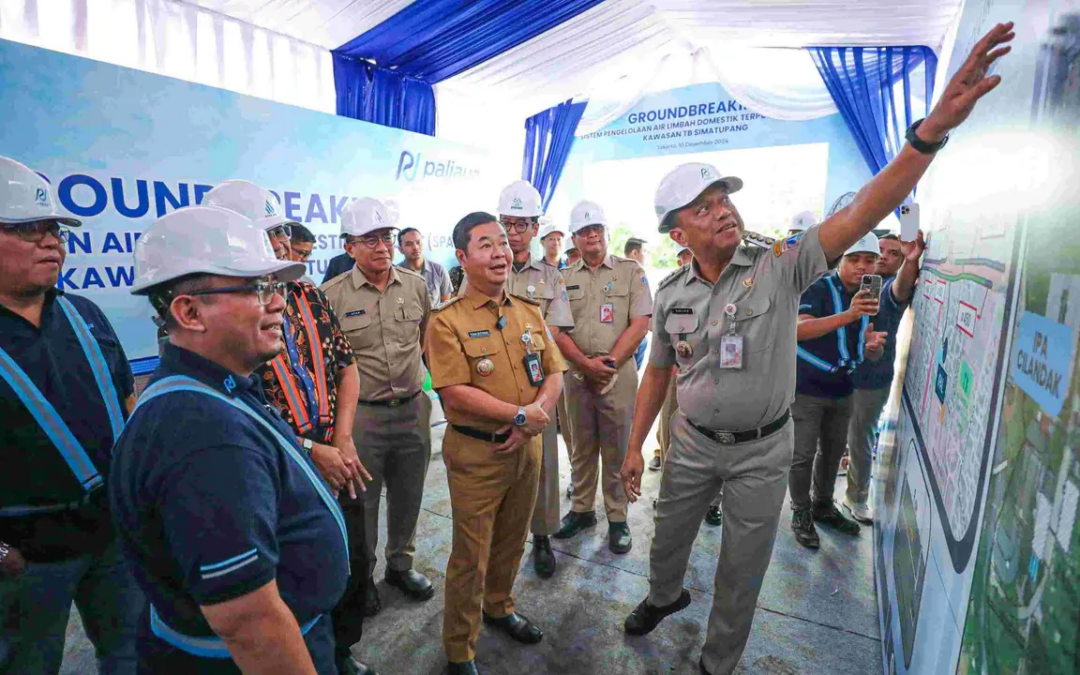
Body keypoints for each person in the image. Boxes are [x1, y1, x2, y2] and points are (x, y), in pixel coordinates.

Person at [617, 23, 1014, 675]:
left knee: (742, 569)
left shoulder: (780, 264)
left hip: (760, 450)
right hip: (688, 446)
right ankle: (665, 594)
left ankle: (716, 662)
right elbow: (657, 370)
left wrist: (928, 134)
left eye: (724, 199)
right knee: (666, 540)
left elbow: (858, 213)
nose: (722, 211)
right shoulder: (671, 292)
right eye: (703, 205)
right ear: (677, 229)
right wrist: (636, 445)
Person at [110, 205, 350, 674]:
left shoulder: (216, 389)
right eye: (257, 289)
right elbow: (249, 623)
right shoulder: (201, 435)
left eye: (275, 286)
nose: (279, 301)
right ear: (190, 312)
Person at [204, 180, 375, 675]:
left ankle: (341, 652)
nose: (279, 243)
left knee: (351, 559)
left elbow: (346, 366)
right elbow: (233, 405)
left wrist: (341, 439)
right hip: (279, 459)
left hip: (335, 451)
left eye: (280, 231)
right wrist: (306, 449)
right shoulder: (222, 316)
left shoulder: (305, 293)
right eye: (266, 234)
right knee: (291, 572)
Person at [0, 156, 143, 675]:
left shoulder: (86, 314)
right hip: (26, 561)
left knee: (131, 653)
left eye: (55, 229)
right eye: (26, 229)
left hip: (114, 539)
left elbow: (126, 402)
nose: (51, 241)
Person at [425, 212, 566, 675]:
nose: (500, 252)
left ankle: (500, 607)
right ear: (463, 258)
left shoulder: (528, 311)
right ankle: (459, 650)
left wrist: (532, 419)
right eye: (485, 244)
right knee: (471, 554)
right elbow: (453, 392)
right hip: (477, 454)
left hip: (527, 446)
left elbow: (553, 371)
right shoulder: (446, 321)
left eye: (502, 242)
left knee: (512, 539)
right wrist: (519, 415)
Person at [321, 199, 436, 617]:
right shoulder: (329, 296)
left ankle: (400, 565)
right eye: (369, 240)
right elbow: (328, 368)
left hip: (412, 408)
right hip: (361, 417)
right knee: (362, 502)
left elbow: (430, 344)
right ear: (349, 247)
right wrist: (339, 432)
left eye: (386, 237)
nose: (382, 247)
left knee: (409, 494)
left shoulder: (416, 285)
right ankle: (363, 576)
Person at [553, 200, 653, 554]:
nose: (592, 235)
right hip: (577, 376)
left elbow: (641, 323)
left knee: (617, 447)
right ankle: (581, 510)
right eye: (584, 230)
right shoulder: (563, 278)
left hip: (618, 375)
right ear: (574, 238)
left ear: (606, 232)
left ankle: (617, 517)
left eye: (597, 228)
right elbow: (557, 329)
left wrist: (607, 363)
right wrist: (584, 364)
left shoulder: (631, 272)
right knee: (580, 446)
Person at [787, 233, 889, 549]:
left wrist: (873, 347)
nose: (862, 267)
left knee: (832, 452)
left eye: (869, 260)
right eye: (854, 259)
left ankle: (822, 505)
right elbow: (799, 330)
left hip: (844, 388)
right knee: (802, 455)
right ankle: (800, 511)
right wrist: (850, 314)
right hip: (806, 388)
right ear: (841, 261)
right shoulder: (818, 288)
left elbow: (866, 348)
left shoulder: (871, 296)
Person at [496, 180, 575, 579]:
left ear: (534, 227)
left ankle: (541, 537)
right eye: (506, 223)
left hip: (538, 385)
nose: (512, 233)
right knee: (497, 464)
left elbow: (558, 336)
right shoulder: (480, 270)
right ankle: (501, 538)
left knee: (543, 467)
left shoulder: (551, 277)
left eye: (521, 224)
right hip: (492, 390)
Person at [844, 230, 925, 523]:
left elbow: (902, 286)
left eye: (895, 254)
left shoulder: (891, 288)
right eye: (881, 251)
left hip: (871, 379)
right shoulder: (848, 281)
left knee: (859, 440)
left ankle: (857, 499)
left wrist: (911, 260)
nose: (885, 258)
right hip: (838, 374)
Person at [396, 227, 453, 306]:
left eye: (418, 242)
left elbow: (446, 304)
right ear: (400, 250)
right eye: (409, 244)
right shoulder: (395, 274)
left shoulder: (439, 270)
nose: (415, 247)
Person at [625, 238, 650, 370]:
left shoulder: (615, 272)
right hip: (632, 337)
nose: (645, 256)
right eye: (644, 251)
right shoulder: (638, 273)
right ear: (634, 253)